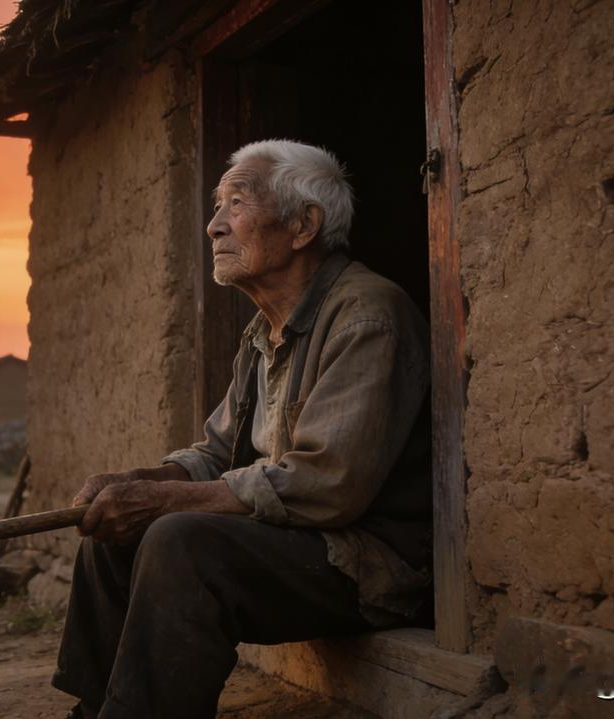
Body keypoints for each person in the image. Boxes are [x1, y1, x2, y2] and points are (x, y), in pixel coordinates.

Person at [52, 139, 433, 719]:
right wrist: (136, 483)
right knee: (115, 531)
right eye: (217, 206)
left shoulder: (368, 316)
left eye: (236, 203)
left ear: (303, 225)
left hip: (367, 564)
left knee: (179, 538)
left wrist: (164, 502)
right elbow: (218, 453)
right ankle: (93, 708)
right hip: (303, 546)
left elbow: (327, 484)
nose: (212, 227)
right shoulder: (263, 332)